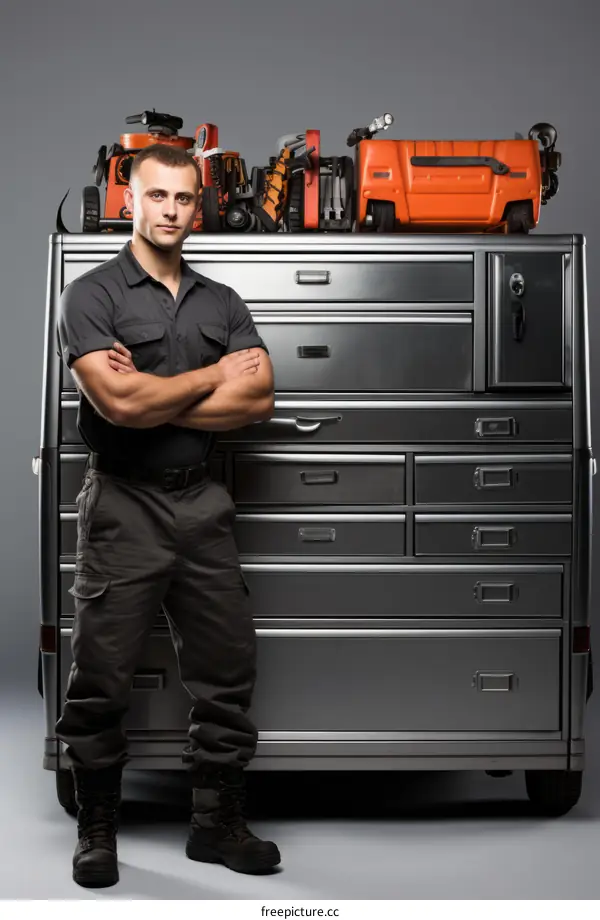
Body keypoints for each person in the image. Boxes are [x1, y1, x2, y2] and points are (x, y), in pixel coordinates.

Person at [55, 143, 280, 888]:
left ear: (199, 206)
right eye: (158, 197)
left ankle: (216, 824)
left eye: (185, 199)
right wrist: (216, 373)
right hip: (123, 500)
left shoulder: (222, 302)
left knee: (226, 666)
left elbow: (261, 401)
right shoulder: (92, 295)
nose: (173, 211)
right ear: (130, 200)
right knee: (102, 669)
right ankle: (97, 827)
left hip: (203, 499)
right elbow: (117, 406)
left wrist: (160, 393)